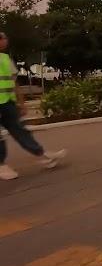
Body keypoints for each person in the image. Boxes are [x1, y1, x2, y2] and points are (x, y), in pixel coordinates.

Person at [0, 32, 67, 180]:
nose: (6, 40)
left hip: (7, 103)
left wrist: (21, 103)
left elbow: (14, 82)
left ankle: (42, 154)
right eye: (3, 37)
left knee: (20, 130)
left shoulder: (5, 58)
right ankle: (1, 165)